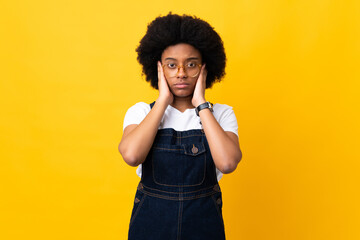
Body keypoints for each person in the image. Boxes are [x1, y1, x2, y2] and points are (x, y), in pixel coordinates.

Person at [118, 13, 242, 240]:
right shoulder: (142, 112)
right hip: (150, 226)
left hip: (203, 226)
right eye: (172, 65)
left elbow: (227, 162)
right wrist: (163, 100)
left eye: (191, 64)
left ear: (205, 68)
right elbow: (132, 155)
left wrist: (201, 104)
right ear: (158, 68)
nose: (181, 73)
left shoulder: (221, 114)